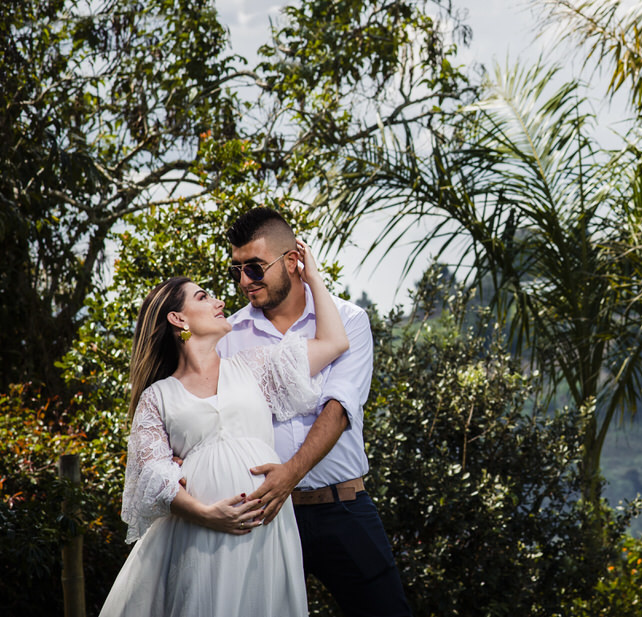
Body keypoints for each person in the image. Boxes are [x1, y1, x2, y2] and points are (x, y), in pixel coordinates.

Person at [100, 240, 348, 617]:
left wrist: (312, 277)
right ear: (178, 319)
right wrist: (205, 513)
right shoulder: (157, 397)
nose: (219, 301)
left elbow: (334, 342)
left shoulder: (255, 367)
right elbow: (154, 475)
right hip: (201, 533)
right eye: (203, 297)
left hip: (266, 528)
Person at [218, 207, 412, 617]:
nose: (243, 282)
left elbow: (339, 410)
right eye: (235, 270)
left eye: (254, 268)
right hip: (265, 515)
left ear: (292, 261)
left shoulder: (349, 321)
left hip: (343, 508)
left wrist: (289, 473)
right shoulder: (228, 337)